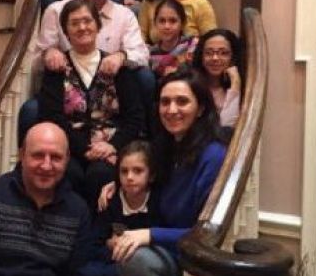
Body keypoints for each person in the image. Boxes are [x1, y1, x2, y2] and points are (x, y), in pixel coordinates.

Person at [98, 70, 228, 276]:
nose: (171, 109)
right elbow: (140, 174)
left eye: (182, 101)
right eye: (165, 102)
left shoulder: (213, 156)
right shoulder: (165, 146)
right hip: (164, 242)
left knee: (134, 258)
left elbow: (207, 233)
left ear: (201, 109)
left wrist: (150, 234)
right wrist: (118, 183)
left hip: (189, 254)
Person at [19, 0, 152, 145]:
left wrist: (121, 56)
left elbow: (142, 55)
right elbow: (37, 64)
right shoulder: (56, 10)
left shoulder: (125, 16)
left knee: (144, 77)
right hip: (66, 94)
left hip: (111, 96)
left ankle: (141, 139)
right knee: (31, 110)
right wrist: (49, 52)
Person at [0, 122, 94, 276]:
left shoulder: (78, 211)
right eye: (38, 155)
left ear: (67, 159)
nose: (46, 166)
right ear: (22, 155)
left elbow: (80, 271)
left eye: (56, 157)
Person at [38, 0, 143, 207]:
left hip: (110, 147)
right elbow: (52, 117)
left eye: (87, 21)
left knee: (100, 175)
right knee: (69, 174)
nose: (82, 27)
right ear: (65, 32)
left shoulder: (117, 66)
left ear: (98, 25)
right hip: (70, 146)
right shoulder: (57, 69)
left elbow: (134, 117)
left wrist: (112, 146)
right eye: (74, 23)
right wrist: (85, 149)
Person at [86, 140, 162, 276]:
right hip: (112, 262)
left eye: (138, 171)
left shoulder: (158, 202)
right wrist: (111, 245)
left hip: (143, 262)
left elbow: (161, 244)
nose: (129, 177)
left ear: (151, 175)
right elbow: (94, 244)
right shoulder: (110, 201)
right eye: (124, 171)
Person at [191, 29, 242, 129]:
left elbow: (227, 127)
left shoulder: (241, 87)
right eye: (209, 53)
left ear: (233, 58)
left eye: (223, 53)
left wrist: (235, 85)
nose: (215, 58)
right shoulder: (191, 85)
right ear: (201, 56)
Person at [148, 0, 198, 79]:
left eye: (173, 21)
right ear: (155, 23)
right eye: (162, 21)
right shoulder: (151, 54)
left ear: (183, 24)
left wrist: (177, 71)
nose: (167, 26)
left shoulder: (192, 44)